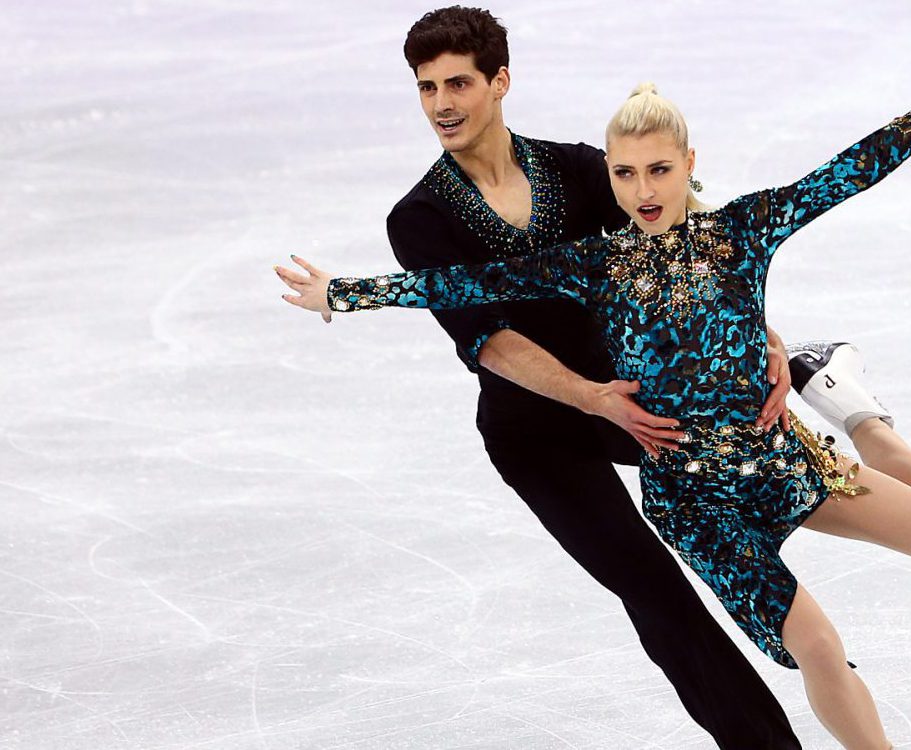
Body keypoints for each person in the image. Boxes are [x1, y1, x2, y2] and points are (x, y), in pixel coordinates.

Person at [276, 76, 911, 747]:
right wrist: (343, 293)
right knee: (816, 646)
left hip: (775, 459)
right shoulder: (596, 266)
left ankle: (856, 409)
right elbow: (464, 283)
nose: (643, 190)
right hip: (692, 502)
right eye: (624, 174)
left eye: (658, 170)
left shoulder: (743, 230)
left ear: (689, 164)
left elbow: (845, 173)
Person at [305, 7, 821, 747]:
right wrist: (591, 398)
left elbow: (686, 243)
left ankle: (849, 462)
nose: (442, 104)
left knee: (769, 476)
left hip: (633, 394)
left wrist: (761, 336)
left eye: (458, 83)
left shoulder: (576, 168)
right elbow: (489, 342)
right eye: (426, 88)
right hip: (537, 432)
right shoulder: (418, 218)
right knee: (651, 586)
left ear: (500, 82)